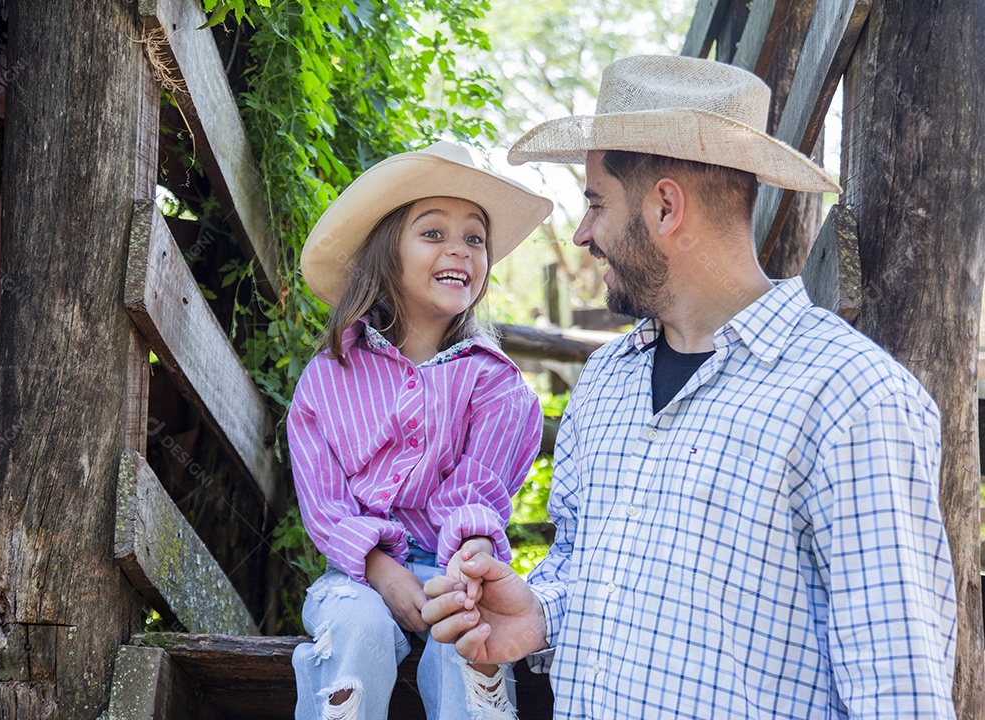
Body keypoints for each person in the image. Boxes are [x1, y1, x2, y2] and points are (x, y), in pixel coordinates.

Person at [422, 55, 957, 719]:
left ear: (666, 206)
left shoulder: (852, 398)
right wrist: (534, 612)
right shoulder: (606, 382)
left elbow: (899, 694)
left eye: (595, 203)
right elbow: (581, 566)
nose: (584, 233)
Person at [288, 140, 553, 720]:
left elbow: (477, 498)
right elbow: (325, 505)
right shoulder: (328, 379)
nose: (459, 249)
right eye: (433, 233)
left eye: (474, 238)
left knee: (469, 638)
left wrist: (469, 563)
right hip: (359, 574)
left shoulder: (495, 386)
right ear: (387, 254)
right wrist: (383, 574)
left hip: (456, 565)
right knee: (353, 630)